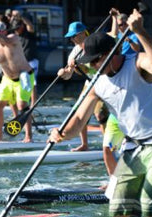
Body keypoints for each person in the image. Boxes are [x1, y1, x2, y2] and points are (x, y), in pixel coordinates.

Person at [49, 10, 152, 217]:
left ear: (110, 55)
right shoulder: (98, 82)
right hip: (133, 147)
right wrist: (62, 134)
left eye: (94, 61)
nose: (91, 66)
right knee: (119, 212)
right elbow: (79, 119)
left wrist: (141, 31)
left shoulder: (137, 62)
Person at [58, 21, 124, 176]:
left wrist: (114, 19)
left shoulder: (95, 42)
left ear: (83, 33)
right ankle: (85, 144)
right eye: (71, 37)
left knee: (101, 115)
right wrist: (64, 73)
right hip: (90, 85)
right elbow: (68, 74)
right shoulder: (74, 52)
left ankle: (109, 143)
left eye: (74, 36)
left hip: (107, 81)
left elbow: (113, 39)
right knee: (81, 115)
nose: (73, 39)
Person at [10, 10, 38, 104]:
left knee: (32, 83)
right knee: (18, 83)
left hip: (31, 61)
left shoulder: (29, 33)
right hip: (20, 63)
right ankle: (21, 104)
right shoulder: (14, 36)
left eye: (18, 28)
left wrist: (21, 16)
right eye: (15, 29)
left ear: (22, 26)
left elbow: (30, 26)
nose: (16, 30)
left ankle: (33, 105)